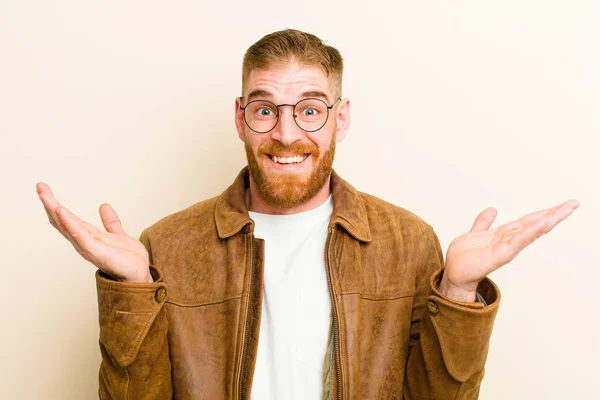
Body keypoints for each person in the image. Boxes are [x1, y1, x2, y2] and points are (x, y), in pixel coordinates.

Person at [36, 29, 579, 399]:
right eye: (265, 108)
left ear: (340, 119)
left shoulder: (409, 242)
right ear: (241, 118)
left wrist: (458, 294)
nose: (287, 133)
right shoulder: (168, 244)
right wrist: (129, 291)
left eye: (311, 110)